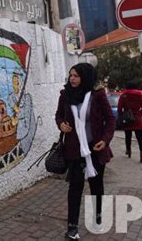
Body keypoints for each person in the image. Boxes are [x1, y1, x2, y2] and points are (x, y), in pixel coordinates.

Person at [55, 63, 116, 240]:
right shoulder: (65, 95)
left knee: (96, 185)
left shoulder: (97, 95)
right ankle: (72, 227)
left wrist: (105, 140)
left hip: (95, 148)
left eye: (76, 76)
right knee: (75, 188)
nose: (72, 78)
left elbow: (110, 120)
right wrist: (61, 124)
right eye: (70, 75)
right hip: (74, 150)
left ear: (85, 77)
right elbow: (58, 115)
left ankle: (97, 215)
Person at [118, 80, 142, 163]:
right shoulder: (140, 95)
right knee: (140, 137)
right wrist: (139, 114)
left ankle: (128, 150)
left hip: (127, 118)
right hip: (137, 118)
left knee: (128, 136)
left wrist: (122, 115)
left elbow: (119, 108)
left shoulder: (123, 95)